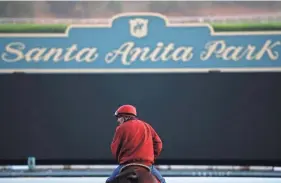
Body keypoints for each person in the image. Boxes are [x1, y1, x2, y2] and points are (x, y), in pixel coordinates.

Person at [106, 104, 166, 183]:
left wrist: (120, 159)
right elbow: (158, 144)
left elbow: (115, 148)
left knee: (109, 181)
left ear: (125, 117)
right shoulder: (147, 126)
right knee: (162, 181)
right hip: (146, 164)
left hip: (126, 164)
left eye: (119, 117)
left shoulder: (120, 128)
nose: (118, 120)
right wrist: (150, 158)